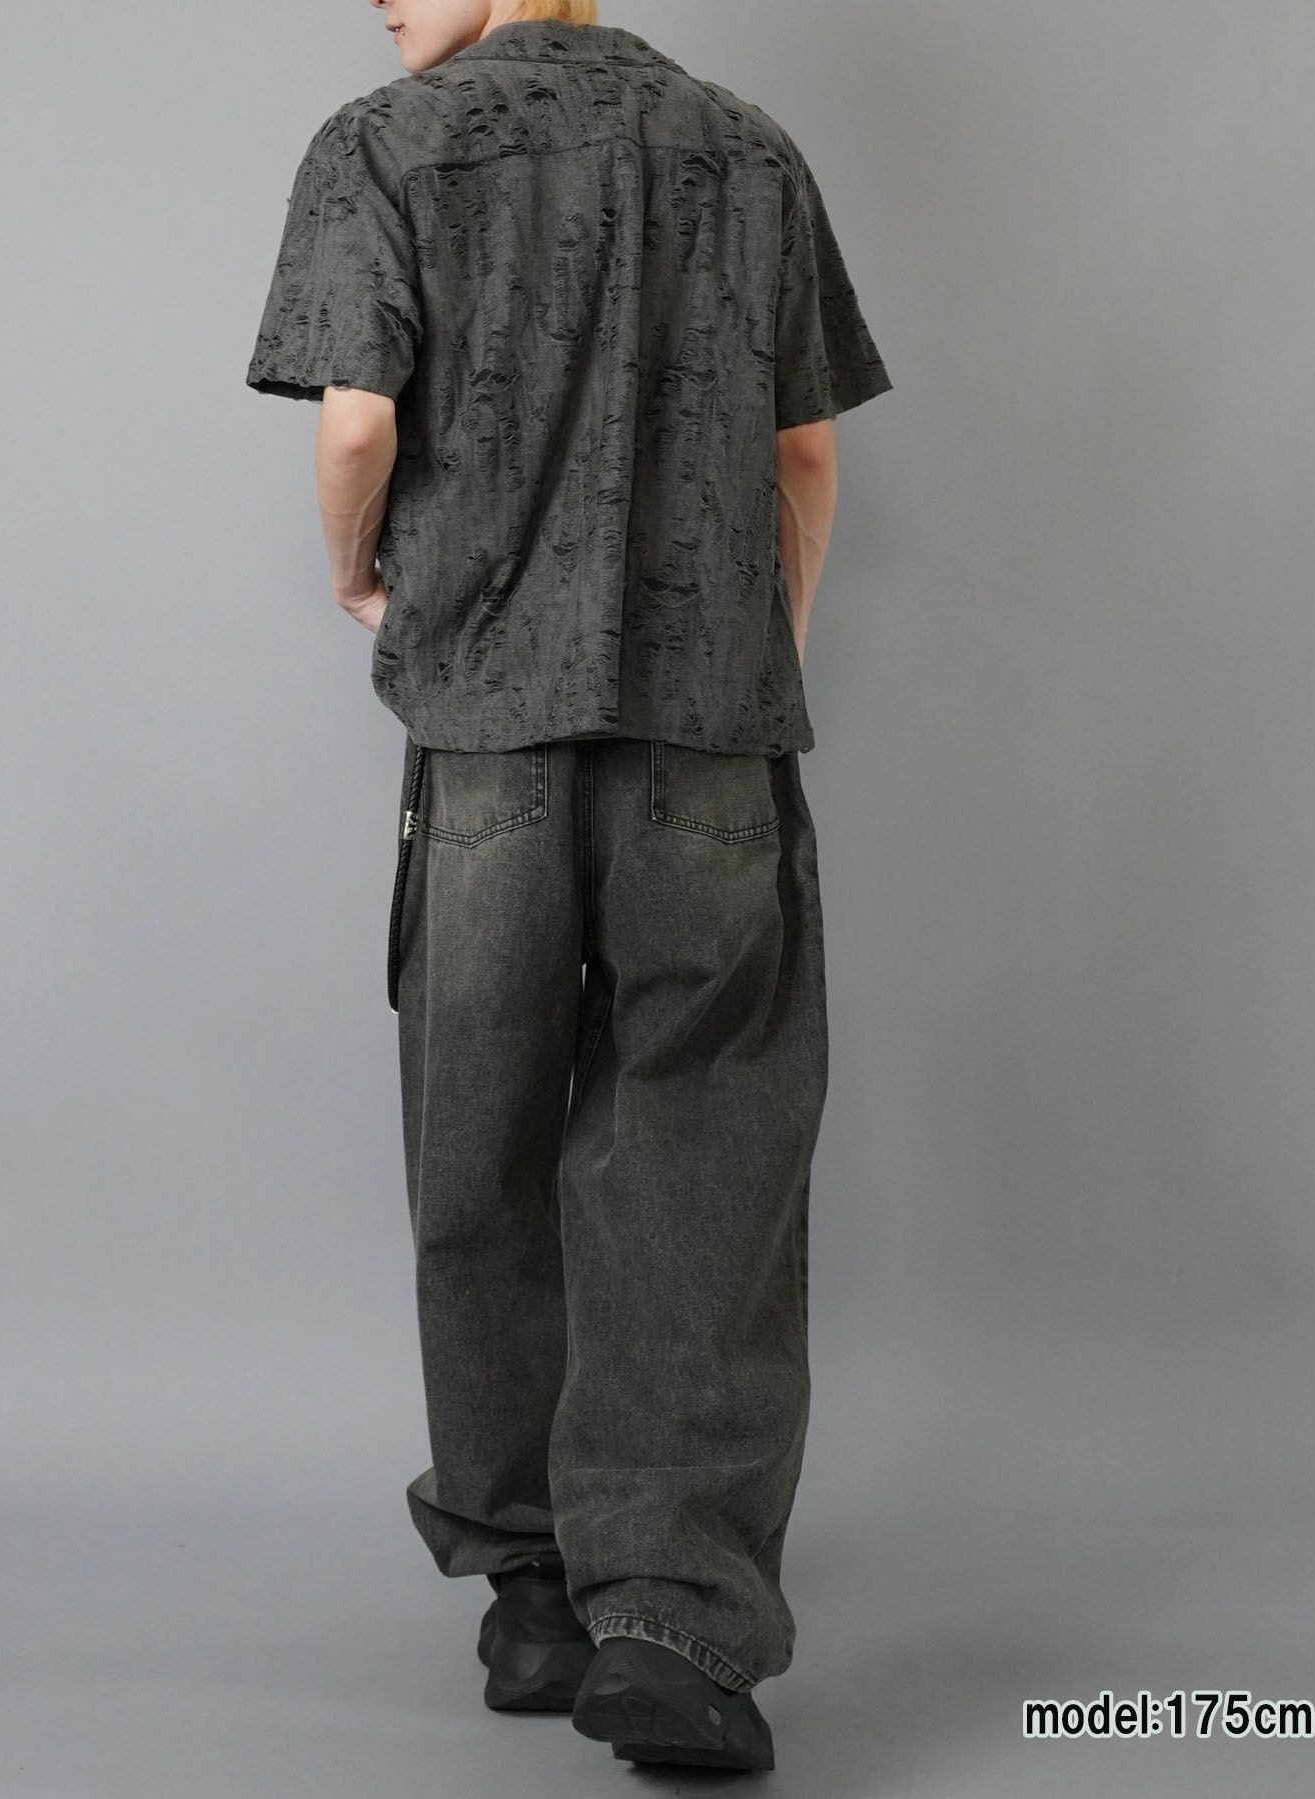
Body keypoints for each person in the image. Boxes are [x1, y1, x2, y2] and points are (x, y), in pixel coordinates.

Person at [245, 0, 892, 1772]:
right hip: (710, 739)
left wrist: (358, 579)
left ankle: (531, 1587)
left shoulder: (382, 147)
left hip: (487, 742)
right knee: (704, 1152)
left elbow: (357, 423)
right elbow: (806, 453)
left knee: (483, 1142)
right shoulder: (748, 150)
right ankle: (672, 1622)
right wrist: (763, 645)